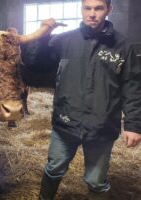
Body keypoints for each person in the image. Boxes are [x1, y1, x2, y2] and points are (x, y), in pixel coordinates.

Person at [23, 0, 141, 199]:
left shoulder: (122, 46)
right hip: (66, 122)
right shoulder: (64, 40)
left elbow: (132, 86)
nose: (92, 14)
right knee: (54, 169)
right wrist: (41, 37)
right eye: (87, 8)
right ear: (82, 9)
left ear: (108, 10)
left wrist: (134, 125)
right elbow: (35, 63)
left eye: (98, 8)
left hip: (102, 126)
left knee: (96, 181)